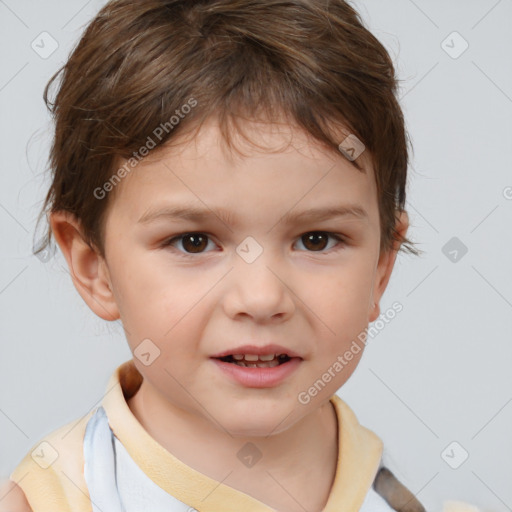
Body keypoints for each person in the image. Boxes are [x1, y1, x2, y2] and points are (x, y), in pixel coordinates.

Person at [0, 0, 479, 510]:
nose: (262, 297)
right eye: (194, 241)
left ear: (382, 268)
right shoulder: (57, 497)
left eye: (316, 240)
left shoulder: (397, 500)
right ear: (94, 267)